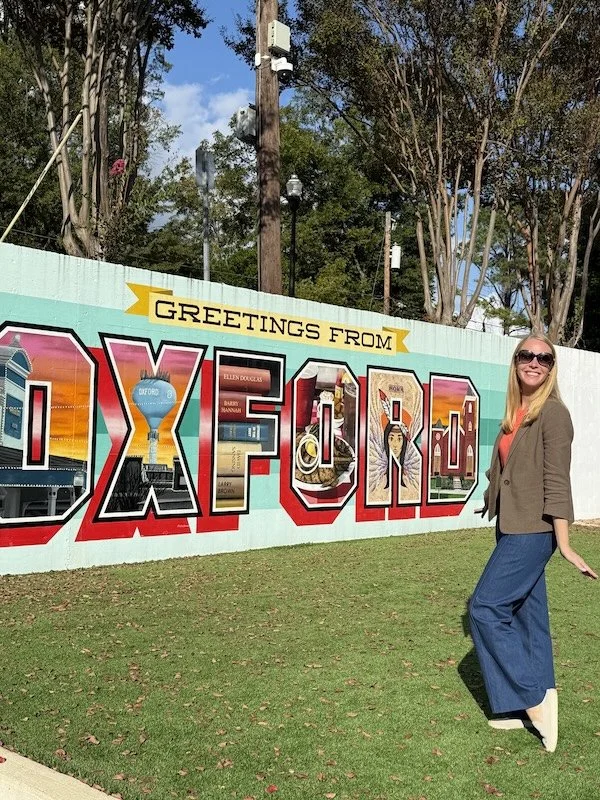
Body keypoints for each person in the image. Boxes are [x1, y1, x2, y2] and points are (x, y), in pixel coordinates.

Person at [469, 334, 597, 753]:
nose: (535, 362)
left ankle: (532, 696)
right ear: (516, 361)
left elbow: (557, 483)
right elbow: (508, 470)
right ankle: (526, 705)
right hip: (512, 525)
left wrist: (565, 543)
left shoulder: (554, 414)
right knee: (527, 615)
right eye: (528, 355)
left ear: (551, 367)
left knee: (485, 608)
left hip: (535, 531)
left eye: (545, 358)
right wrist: (493, 498)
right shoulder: (516, 414)